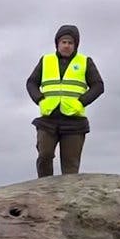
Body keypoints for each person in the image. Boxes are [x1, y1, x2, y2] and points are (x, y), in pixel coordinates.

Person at [25, 24, 104, 177]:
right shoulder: (46, 60)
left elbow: (98, 86)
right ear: (57, 44)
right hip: (48, 119)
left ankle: (68, 199)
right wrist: (40, 100)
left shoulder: (85, 61)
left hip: (74, 121)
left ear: (75, 45)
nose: (67, 46)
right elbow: (31, 83)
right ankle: (44, 189)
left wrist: (81, 102)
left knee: (70, 168)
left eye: (70, 43)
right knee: (44, 155)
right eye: (64, 42)